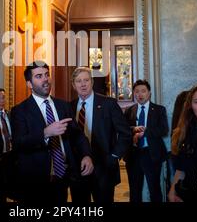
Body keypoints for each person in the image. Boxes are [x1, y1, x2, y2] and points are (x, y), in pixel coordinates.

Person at [10, 61, 93, 203]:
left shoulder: (63, 106)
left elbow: (77, 135)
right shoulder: (19, 111)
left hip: (63, 176)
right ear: (29, 84)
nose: (45, 79)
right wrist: (45, 133)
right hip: (36, 180)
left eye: (47, 75)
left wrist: (86, 155)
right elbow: (19, 143)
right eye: (39, 76)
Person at [70, 67, 131, 203]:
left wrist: (114, 156)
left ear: (92, 82)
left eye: (86, 80)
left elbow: (125, 133)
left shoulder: (108, 103)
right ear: (74, 85)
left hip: (104, 169)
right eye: (78, 81)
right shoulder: (70, 107)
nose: (83, 84)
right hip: (78, 170)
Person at [123, 79, 169, 202]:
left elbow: (163, 130)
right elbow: (123, 129)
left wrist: (146, 132)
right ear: (133, 94)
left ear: (149, 93)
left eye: (143, 91)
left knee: (154, 189)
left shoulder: (159, 110)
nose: (140, 94)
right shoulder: (129, 110)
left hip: (152, 154)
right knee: (134, 191)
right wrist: (134, 129)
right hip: (133, 154)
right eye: (137, 91)